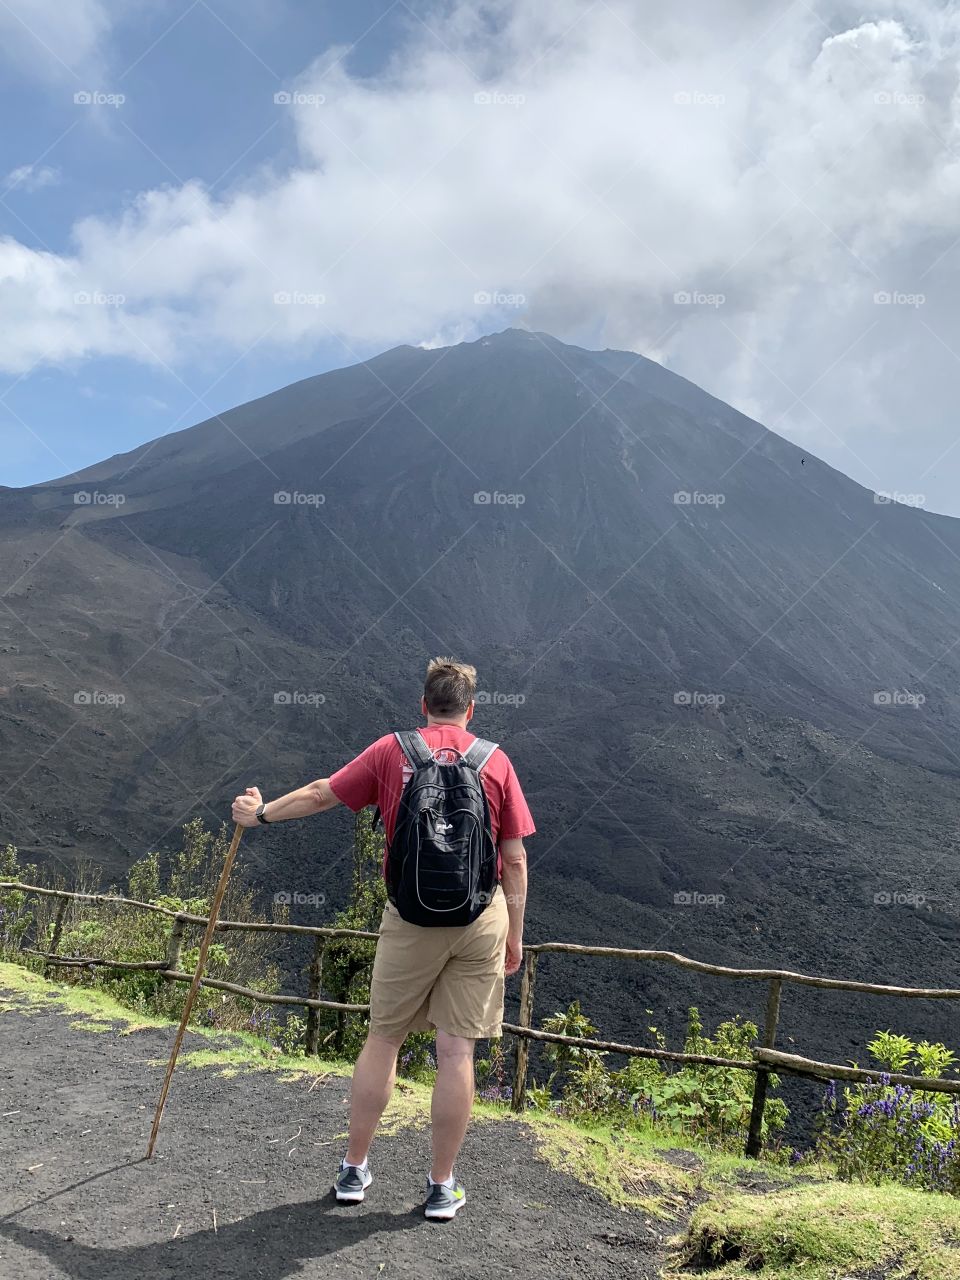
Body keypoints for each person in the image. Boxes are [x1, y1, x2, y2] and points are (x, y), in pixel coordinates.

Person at [232, 657, 534, 1220]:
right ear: (470, 709)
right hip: (478, 920)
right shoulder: (495, 761)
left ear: (424, 704)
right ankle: (441, 1185)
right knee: (455, 1049)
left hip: (409, 919)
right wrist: (514, 933)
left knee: (384, 1039)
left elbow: (324, 793)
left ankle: (353, 1170)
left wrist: (262, 815)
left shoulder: (393, 751)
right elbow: (513, 860)